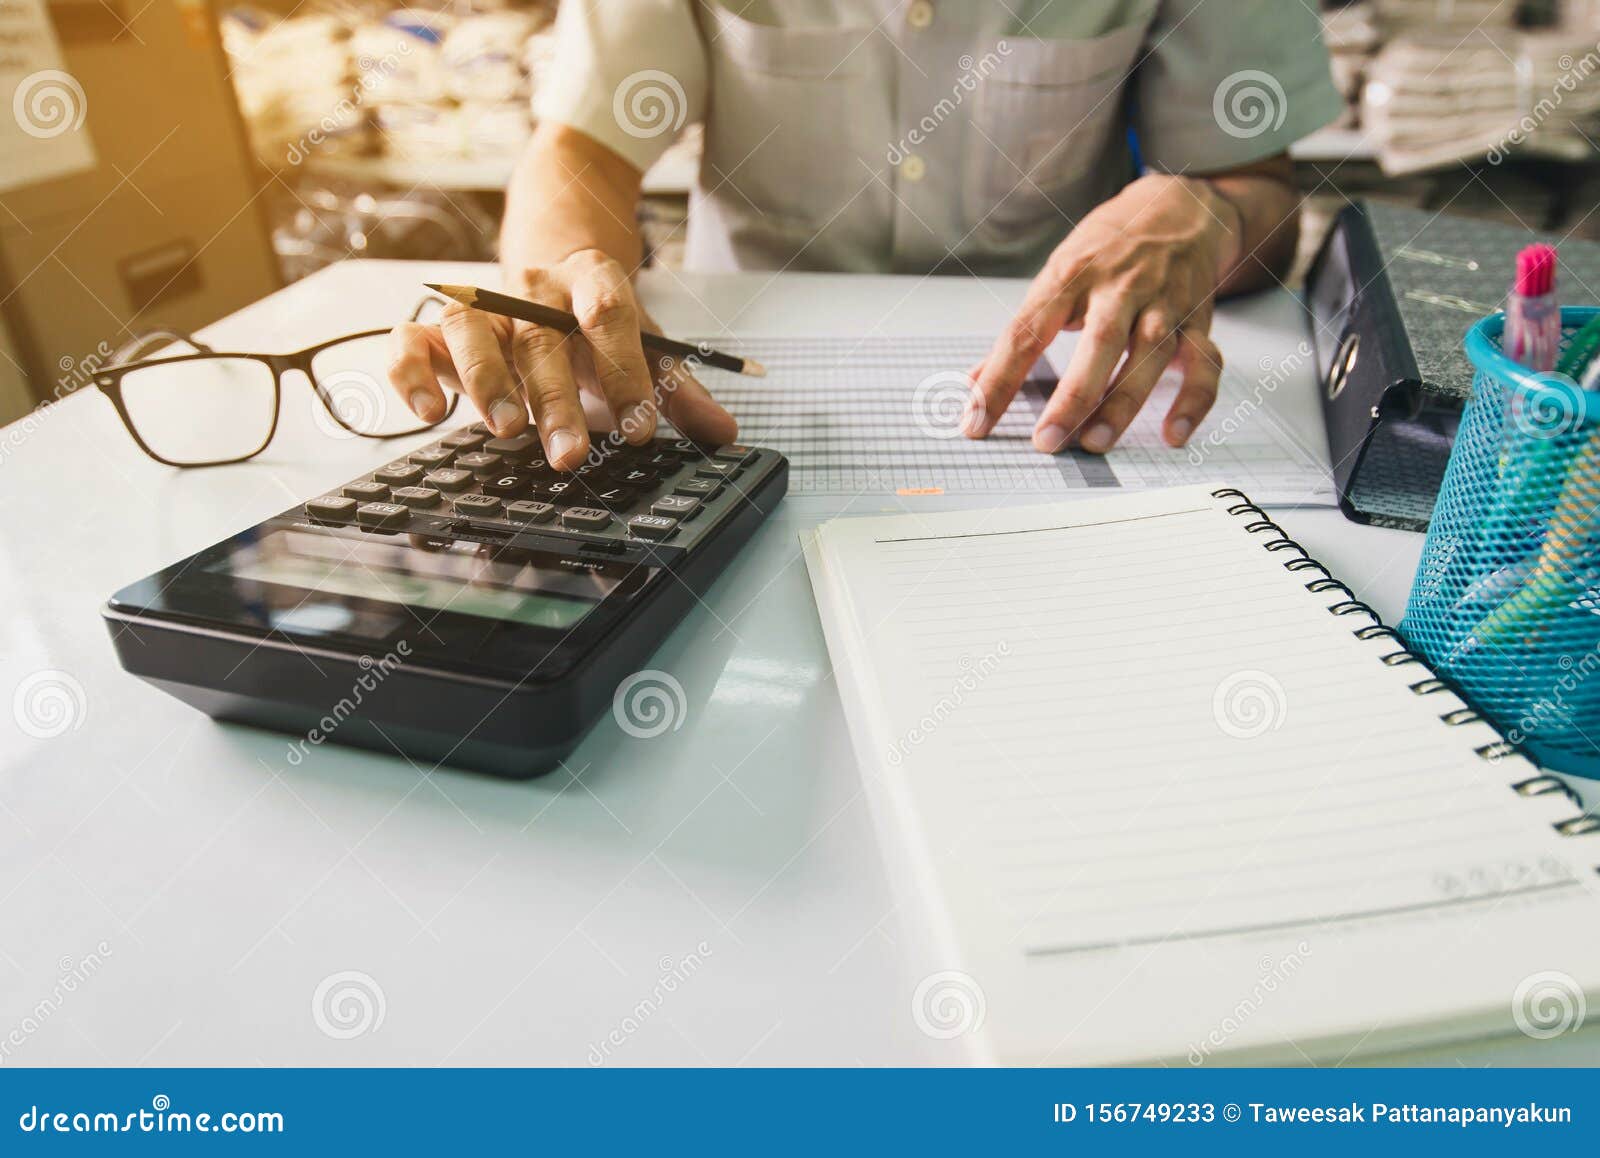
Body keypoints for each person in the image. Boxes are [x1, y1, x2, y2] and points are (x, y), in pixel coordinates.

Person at [387, 1, 1342, 469]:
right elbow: (581, 149)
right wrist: (569, 272)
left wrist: (1207, 210)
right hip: (732, 379)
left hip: (1061, 386)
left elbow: (1259, 190)